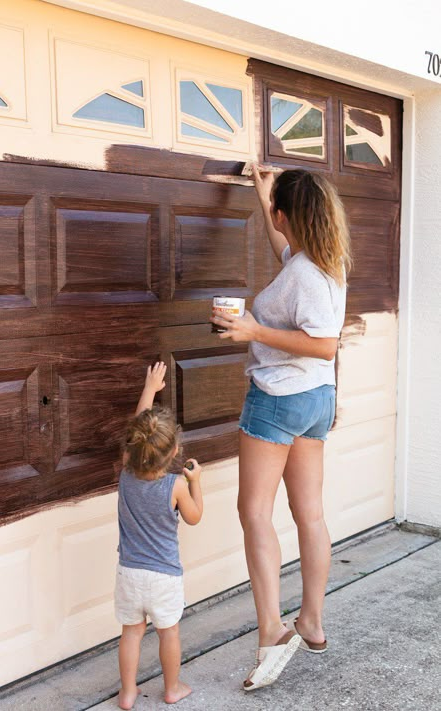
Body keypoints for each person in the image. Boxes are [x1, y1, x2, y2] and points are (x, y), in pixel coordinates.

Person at [211, 166, 351, 691]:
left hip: (278, 398)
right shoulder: (322, 261)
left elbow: (325, 343)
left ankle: (273, 631)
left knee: (253, 512)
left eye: (276, 210)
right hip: (316, 400)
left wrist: (252, 329)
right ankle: (311, 624)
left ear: (289, 215)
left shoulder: (309, 276)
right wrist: (263, 191)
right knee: (309, 513)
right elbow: (281, 249)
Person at [114, 362, 203, 709]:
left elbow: (135, 434)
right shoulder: (176, 485)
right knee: (169, 634)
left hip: (129, 573)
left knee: (131, 633)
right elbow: (194, 517)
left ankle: (127, 692)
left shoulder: (125, 473)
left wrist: (150, 389)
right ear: (174, 453)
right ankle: (172, 688)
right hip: (164, 576)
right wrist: (197, 483)